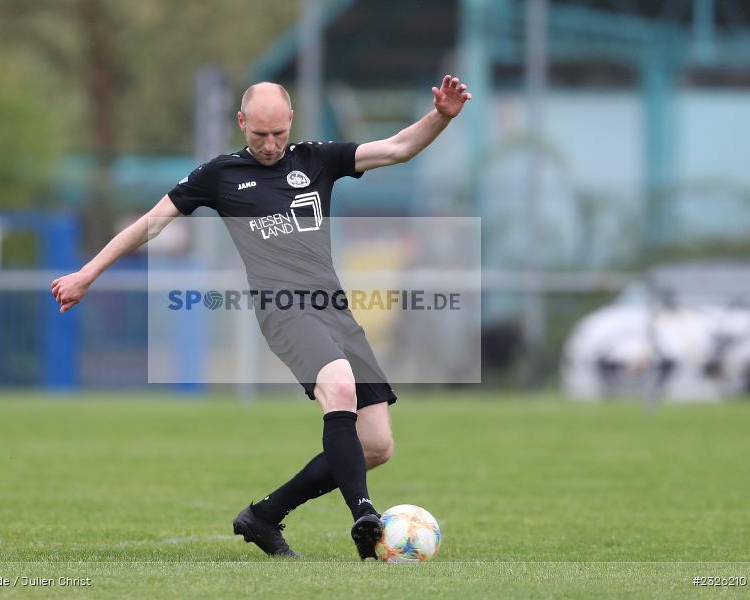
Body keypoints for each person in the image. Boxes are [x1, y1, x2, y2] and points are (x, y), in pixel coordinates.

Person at [51, 75, 471, 560]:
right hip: (284, 311)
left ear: (290, 121)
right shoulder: (219, 175)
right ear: (241, 123)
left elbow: (398, 148)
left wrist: (440, 116)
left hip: (333, 310)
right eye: (258, 136)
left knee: (376, 445)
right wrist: (87, 273)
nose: (270, 145)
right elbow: (150, 223)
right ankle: (363, 515)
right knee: (338, 387)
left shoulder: (317, 159)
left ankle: (264, 516)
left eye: (277, 134)